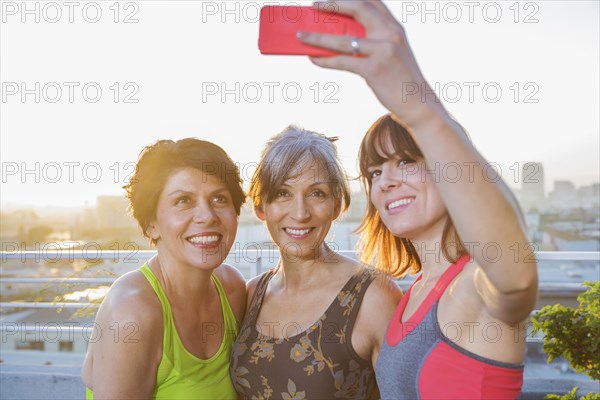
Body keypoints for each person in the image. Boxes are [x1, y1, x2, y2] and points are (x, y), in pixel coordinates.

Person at [296, 1, 538, 399]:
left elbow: (517, 271)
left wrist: (421, 110)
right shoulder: (410, 295)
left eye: (405, 162)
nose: (386, 181)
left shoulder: (472, 288)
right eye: (375, 171)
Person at [230, 126, 402, 399]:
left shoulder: (375, 296)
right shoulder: (250, 295)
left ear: (337, 205)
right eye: (283, 193)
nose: (300, 213)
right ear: (261, 207)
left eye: (316, 193)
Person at [81, 138, 247, 399]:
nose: (207, 216)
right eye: (183, 201)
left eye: (219, 198)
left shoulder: (232, 288)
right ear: (151, 225)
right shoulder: (133, 313)